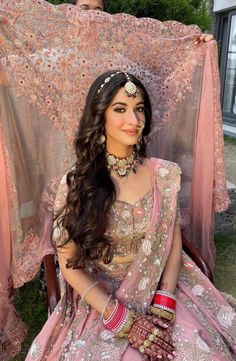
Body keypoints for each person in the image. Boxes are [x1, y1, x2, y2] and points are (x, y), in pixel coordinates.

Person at [25, 71, 236, 361]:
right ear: (100, 116)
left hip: (164, 288)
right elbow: (69, 265)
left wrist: (165, 303)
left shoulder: (164, 173)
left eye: (139, 109)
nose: (134, 121)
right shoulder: (77, 184)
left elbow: (172, 243)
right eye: (120, 109)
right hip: (102, 299)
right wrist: (124, 320)